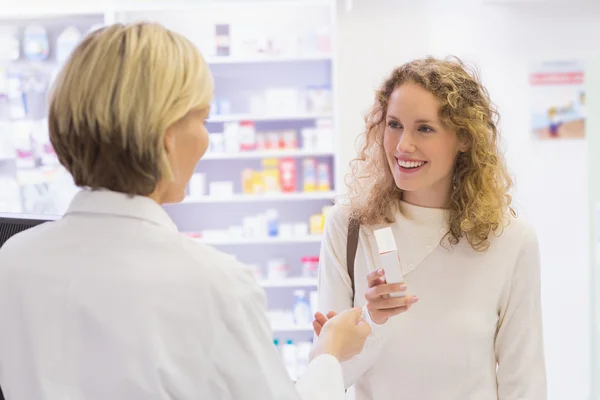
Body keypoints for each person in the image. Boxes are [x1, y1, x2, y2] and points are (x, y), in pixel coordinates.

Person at [0, 22, 371, 400]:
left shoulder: (12, 259)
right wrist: (330, 353)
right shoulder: (215, 284)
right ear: (167, 137)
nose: (206, 139)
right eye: (202, 118)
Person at [314, 57, 547, 399]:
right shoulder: (350, 227)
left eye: (424, 128)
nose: (403, 145)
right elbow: (328, 377)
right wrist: (372, 319)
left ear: (464, 138)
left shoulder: (510, 241)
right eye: (394, 124)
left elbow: (523, 381)